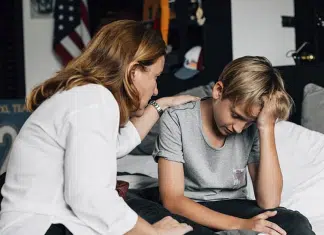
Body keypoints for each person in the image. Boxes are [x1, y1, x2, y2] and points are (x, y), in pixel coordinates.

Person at [0, 20, 198, 235]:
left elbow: (115, 145)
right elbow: (90, 197)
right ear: (134, 71)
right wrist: (153, 234)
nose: (156, 89)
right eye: (155, 77)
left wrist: (162, 105)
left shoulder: (84, 96)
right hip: (44, 227)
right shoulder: (94, 100)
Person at [152, 56, 316, 235]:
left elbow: (269, 202)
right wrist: (241, 225)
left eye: (249, 122)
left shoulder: (254, 128)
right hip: (190, 207)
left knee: (295, 223)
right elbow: (173, 200)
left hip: (235, 204)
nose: (238, 129)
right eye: (236, 116)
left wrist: (265, 127)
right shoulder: (176, 118)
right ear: (218, 91)